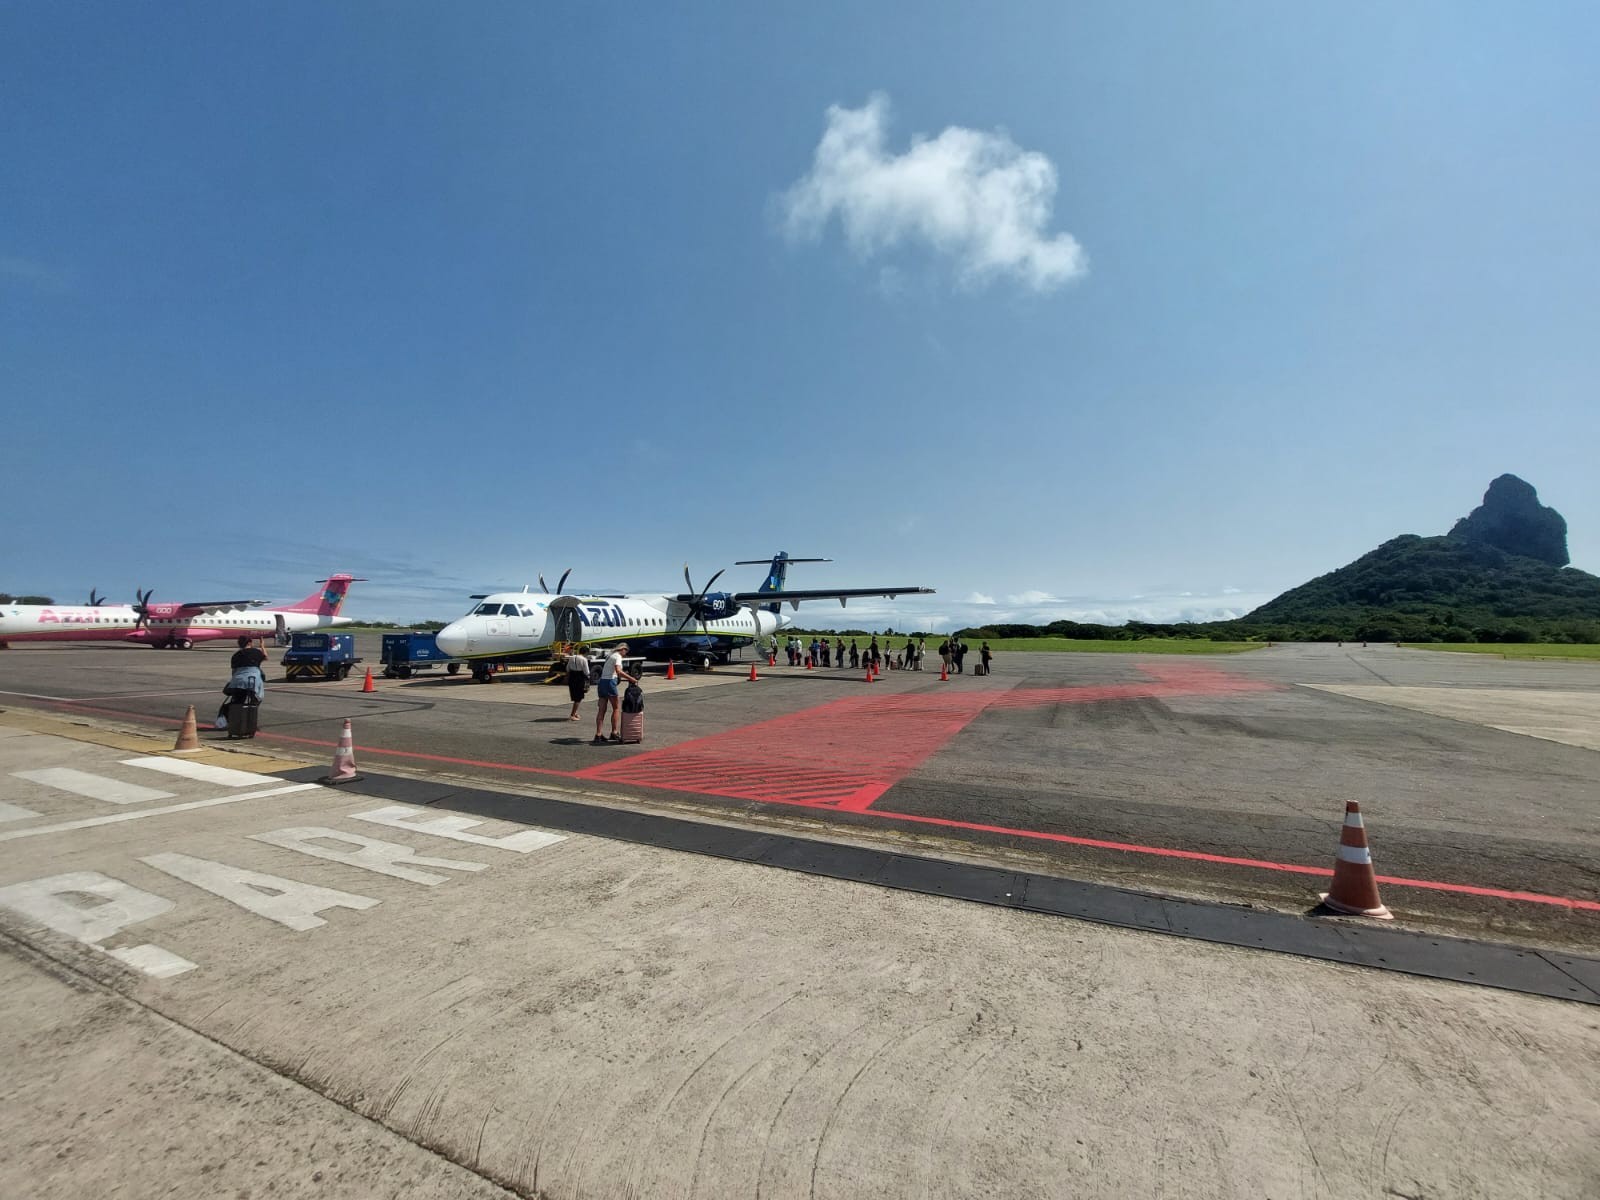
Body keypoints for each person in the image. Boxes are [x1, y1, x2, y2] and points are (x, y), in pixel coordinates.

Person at [593, 642, 638, 744]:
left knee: (602, 710)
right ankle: (614, 732)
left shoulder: (610, 656)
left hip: (602, 683)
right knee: (616, 708)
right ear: (622, 649)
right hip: (609, 683)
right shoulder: (617, 656)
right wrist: (632, 678)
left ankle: (598, 734)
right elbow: (618, 670)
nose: (625, 654)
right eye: (626, 651)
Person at [218, 636, 267, 725]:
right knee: (255, 700)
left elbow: (233, 672)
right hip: (252, 681)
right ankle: (249, 720)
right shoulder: (256, 652)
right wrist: (262, 646)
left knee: (237, 701)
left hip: (238, 681)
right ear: (249, 643)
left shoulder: (236, 655)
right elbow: (265, 657)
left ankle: (231, 719)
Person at [564, 643, 590, 720]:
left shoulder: (572, 657)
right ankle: (572, 715)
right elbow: (586, 672)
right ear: (585, 652)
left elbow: (567, 668)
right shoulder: (584, 659)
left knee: (575, 696)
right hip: (579, 678)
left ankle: (575, 713)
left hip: (572, 677)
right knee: (578, 697)